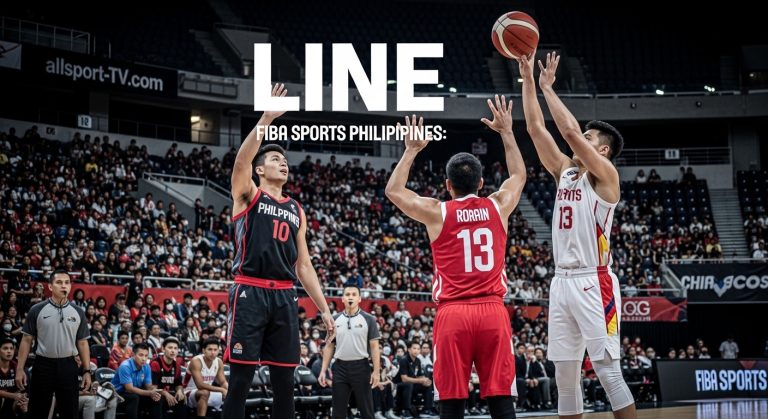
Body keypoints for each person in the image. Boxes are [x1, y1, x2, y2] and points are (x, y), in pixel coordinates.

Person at [385, 102, 525, 418]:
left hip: (453, 314)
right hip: (492, 311)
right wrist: (506, 132)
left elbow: (394, 191)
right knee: (501, 398)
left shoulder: (438, 211)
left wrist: (411, 150)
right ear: (480, 183)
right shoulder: (498, 205)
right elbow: (518, 174)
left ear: (448, 186)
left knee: (451, 400)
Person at [517, 51, 636, 418]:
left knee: (606, 371)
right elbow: (537, 129)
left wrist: (548, 88)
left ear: (602, 149)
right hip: (562, 282)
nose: (578, 138)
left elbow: (568, 130)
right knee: (565, 375)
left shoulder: (606, 177)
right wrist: (527, 83)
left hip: (593, 281)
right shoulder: (566, 172)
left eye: (588, 136)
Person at [222, 83, 335, 419]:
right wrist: (266, 119)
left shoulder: (297, 208)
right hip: (250, 291)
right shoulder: (248, 194)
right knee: (241, 379)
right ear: (260, 169)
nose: (282, 164)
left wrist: (325, 308)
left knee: (285, 380)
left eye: (285, 160)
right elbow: (241, 161)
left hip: (285, 296)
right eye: (274, 159)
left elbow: (305, 265)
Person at [15, 270, 91, 418]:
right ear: (50, 286)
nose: (64, 286)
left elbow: (82, 343)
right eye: (59, 282)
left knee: (69, 412)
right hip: (43, 365)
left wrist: (87, 371)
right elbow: (26, 340)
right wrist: (19, 369)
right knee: (37, 411)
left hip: (69, 365)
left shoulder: (78, 312)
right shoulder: (36, 309)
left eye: (67, 283)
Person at [318, 285, 381, 419]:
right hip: (340, 368)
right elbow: (329, 346)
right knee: (337, 412)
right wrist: (323, 370)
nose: (350, 297)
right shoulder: (334, 319)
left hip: (361, 367)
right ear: (342, 299)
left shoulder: (369, 319)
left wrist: (376, 371)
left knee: (367, 411)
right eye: (347, 294)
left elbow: (375, 347)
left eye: (353, 294)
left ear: (359, 299)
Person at [112, 342, 162, 418]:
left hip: (136, 392)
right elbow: (129, 389)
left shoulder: (147, 366)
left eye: (146, 356)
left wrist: (157, 392)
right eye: (141, 355)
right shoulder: (125, 366)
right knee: (134, 397)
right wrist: (149, 393)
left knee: (157, 398)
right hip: (119, 393)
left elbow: (148, 386)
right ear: (133, 355)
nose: (144, 359)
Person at [184, 337, 228, 418]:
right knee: (204, 392)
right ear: (204, 350)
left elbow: (222, 382)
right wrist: (222, 390)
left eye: (215, 350)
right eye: (210, 349)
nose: (213, 352)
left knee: (233, 395)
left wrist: (228, 390)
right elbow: (200, 385)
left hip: (209, 391)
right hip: (190, 393)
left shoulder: (218, 361)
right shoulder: (196, 361)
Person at [150, 337, 187, 418]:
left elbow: (178, 383)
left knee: (182, 398)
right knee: (158, 399)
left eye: (175, 348)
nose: (173, 350)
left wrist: (180, 391)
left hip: (167, 394)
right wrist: (165, 393)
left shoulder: (177, 366)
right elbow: (153, 389)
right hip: (153, 395)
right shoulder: (156, 363)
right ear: (163, 349)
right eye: (170, 348)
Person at [0, 338, 27, 417]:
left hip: (12, 403)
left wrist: (23, 399)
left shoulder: (18, 368)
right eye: (5, 348)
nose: (9, 351)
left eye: (11, 348)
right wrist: (13, 395)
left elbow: (23, 390)